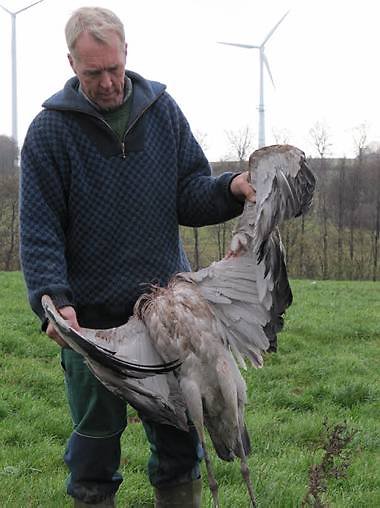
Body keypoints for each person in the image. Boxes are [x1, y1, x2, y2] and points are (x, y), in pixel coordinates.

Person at [20, 6, 255, 508]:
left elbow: (190, 192)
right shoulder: (49, 133)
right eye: (91, 73)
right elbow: (39, 230)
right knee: (93, 459)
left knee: (178, 450)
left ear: (127, 53)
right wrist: (53, 300)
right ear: (70, 63)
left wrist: (231, 188)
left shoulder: (162, 113)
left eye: (113, 69)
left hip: (166, 320)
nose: (106, 82)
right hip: (92, 328)